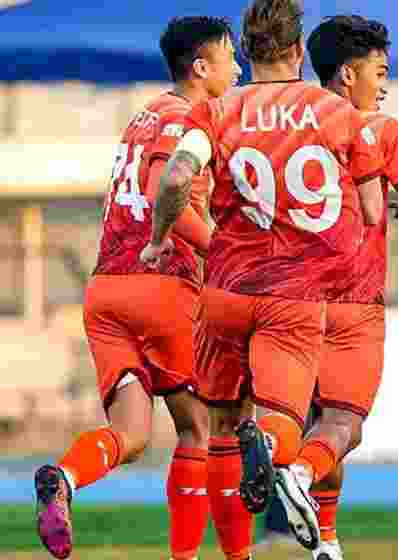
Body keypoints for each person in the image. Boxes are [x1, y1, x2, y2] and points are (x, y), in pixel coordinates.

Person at [140, 0, 386, 556]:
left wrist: (158, 239)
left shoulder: (219, 109)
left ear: (247, 54)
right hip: (292, 298)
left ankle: (235, 552)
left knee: (221, 428)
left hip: (225, 292)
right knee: (284, 424)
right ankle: (275, 458)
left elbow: (177, 174)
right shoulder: (336, 113)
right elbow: (372, 210)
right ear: (299, 50)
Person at [33, 16, 241, 560]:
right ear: (201, 68)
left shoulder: (144, 116)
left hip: (106, 293)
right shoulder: (185, 118)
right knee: (199, 427)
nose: (238, 69)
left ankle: (66, 478)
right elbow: (159, 189)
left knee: (132, 434)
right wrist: (222, 250)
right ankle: (185, 556)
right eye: (229, 58)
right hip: (161, 287)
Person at [283, 14, 398, 560]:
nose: (385, 82)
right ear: (349, 75)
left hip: (284, 298)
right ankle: (298, 478)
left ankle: (325, 542)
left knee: (310, 423)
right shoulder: (379, 128)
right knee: (344, 424)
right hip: (352, 300)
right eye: (380, 70)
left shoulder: (286, 120)